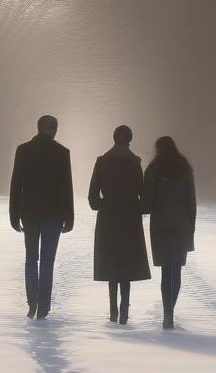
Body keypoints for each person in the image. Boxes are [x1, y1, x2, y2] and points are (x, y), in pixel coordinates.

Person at [9, 115, 74, 319]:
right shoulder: (62, 153)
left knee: (31, 259)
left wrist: (13, 214)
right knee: (47, 261)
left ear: (38, 128)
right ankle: (44, 306)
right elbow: (66, 188)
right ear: (55, 130)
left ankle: (32, 303)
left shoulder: (24, 150)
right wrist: (69, 217)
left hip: (29, 213)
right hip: (54, 214)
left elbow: (16, 184)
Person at [88, 125, 151, 325]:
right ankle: (125, 308)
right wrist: (137, 207)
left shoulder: (102, 161)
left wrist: (103, 205)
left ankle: (113, 309)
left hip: (108, 217)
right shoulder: (135, 163)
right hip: (130, 218)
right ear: (130, 139)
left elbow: (92, 197)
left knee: (111, 263)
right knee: (127, 264)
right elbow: (143, 194)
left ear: (114, 138)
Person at [142, 135, 196, 329]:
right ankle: (170, 310)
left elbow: (146, 205)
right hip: (181, 228)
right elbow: (191, 205)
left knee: (166, 271)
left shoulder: (153, 170)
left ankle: (167, 313)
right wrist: (191, 232)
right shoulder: (185, 171)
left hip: (161, 228)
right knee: (176, 270)